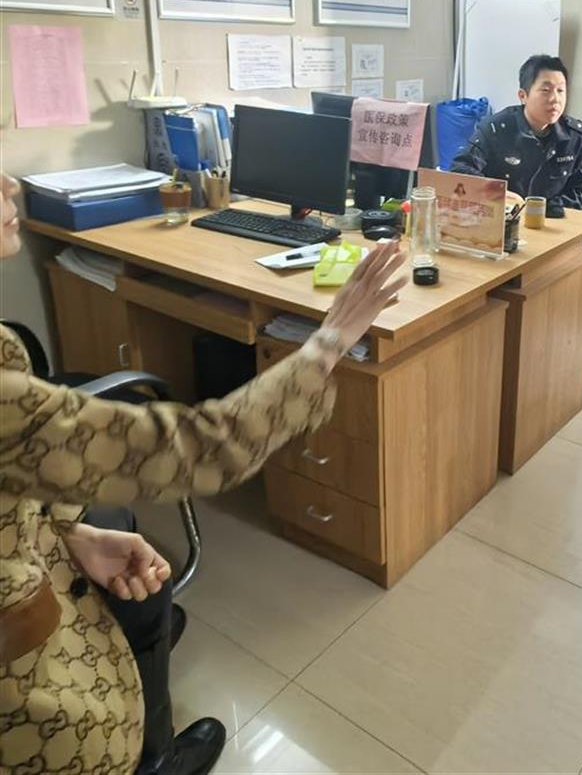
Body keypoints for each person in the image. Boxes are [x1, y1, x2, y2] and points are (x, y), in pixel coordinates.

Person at [0, 172, 408, 775]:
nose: (9, 181)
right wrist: (330, 340)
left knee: (143, 592)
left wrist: (65, 535)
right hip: (30, 698)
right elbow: (201, 450)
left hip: (40, 564)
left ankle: (155, 742)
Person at [449, 54, 582, 214]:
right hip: (502, 218)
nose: (555, 99)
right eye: (545, 90)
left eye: (561, 91)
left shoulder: (576, 137)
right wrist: (496, 193)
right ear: (523, 96)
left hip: (553, 221)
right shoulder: (495, 129)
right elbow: (460, 170)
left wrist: (541, 209)